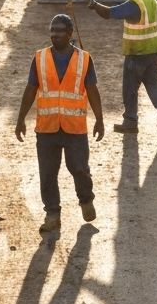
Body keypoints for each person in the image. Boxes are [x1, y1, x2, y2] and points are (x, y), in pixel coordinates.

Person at [15, 13, 104, 234]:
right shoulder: (40, 58)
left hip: (75, 128)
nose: (55, 36)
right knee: (47, 173)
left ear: (70, 34)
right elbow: (30, 89)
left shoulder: (84, 59)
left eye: (60, 31)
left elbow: (92, 90)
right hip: (47, 128)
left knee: (79, 168)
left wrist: (100, 120)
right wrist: (20, 119)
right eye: (52, 31)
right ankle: (52, 214)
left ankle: (86, 199)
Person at [87, 0, 157, 134]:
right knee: (153, 83)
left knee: (130, 88)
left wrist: (94, 5)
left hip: (138, 53)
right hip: (153, 50)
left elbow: (110, 13)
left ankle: (130, 121)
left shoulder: (135, 4)